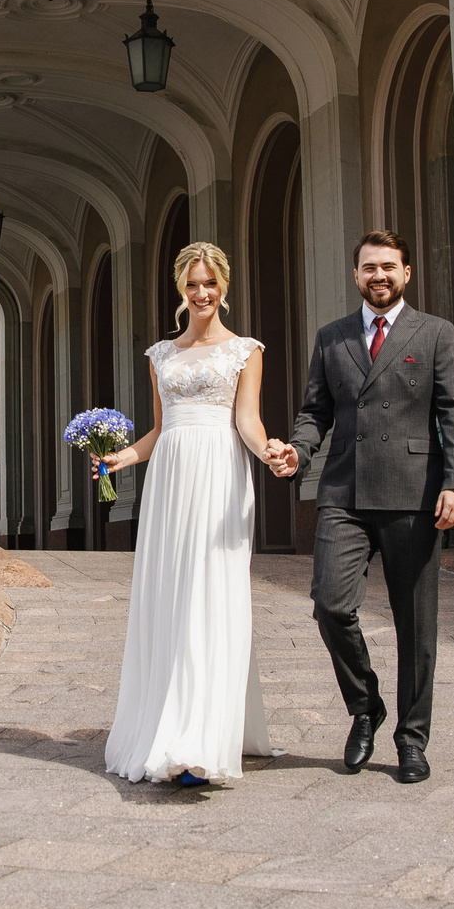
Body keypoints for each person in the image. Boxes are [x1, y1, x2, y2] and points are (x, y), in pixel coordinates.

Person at [95, 242, 292, 788]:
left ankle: (202, 739)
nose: (201, 293)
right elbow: (161, 430)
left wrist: (270, 452)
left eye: (210, 283)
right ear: (180, 289)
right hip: (170, 482)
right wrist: (123, 457)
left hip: (219, 478)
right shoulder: (160, 355)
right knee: (170, 595)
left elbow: (247, 421)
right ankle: (167, 725)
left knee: (211, 594)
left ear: (224, 286)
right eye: (192, 284)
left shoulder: (245, 351)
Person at [289, 229, 454, 784]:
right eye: (369, 267)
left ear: (406, 273)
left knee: (416, 624)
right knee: (330, 605)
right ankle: (365, 705)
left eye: (389, 267)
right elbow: (315, 412)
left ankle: (412, 740)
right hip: (344, 493)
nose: (379, 276)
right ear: (356, 275)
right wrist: (297, 450)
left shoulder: (435, 333)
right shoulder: (333, 337)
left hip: (414, 494)